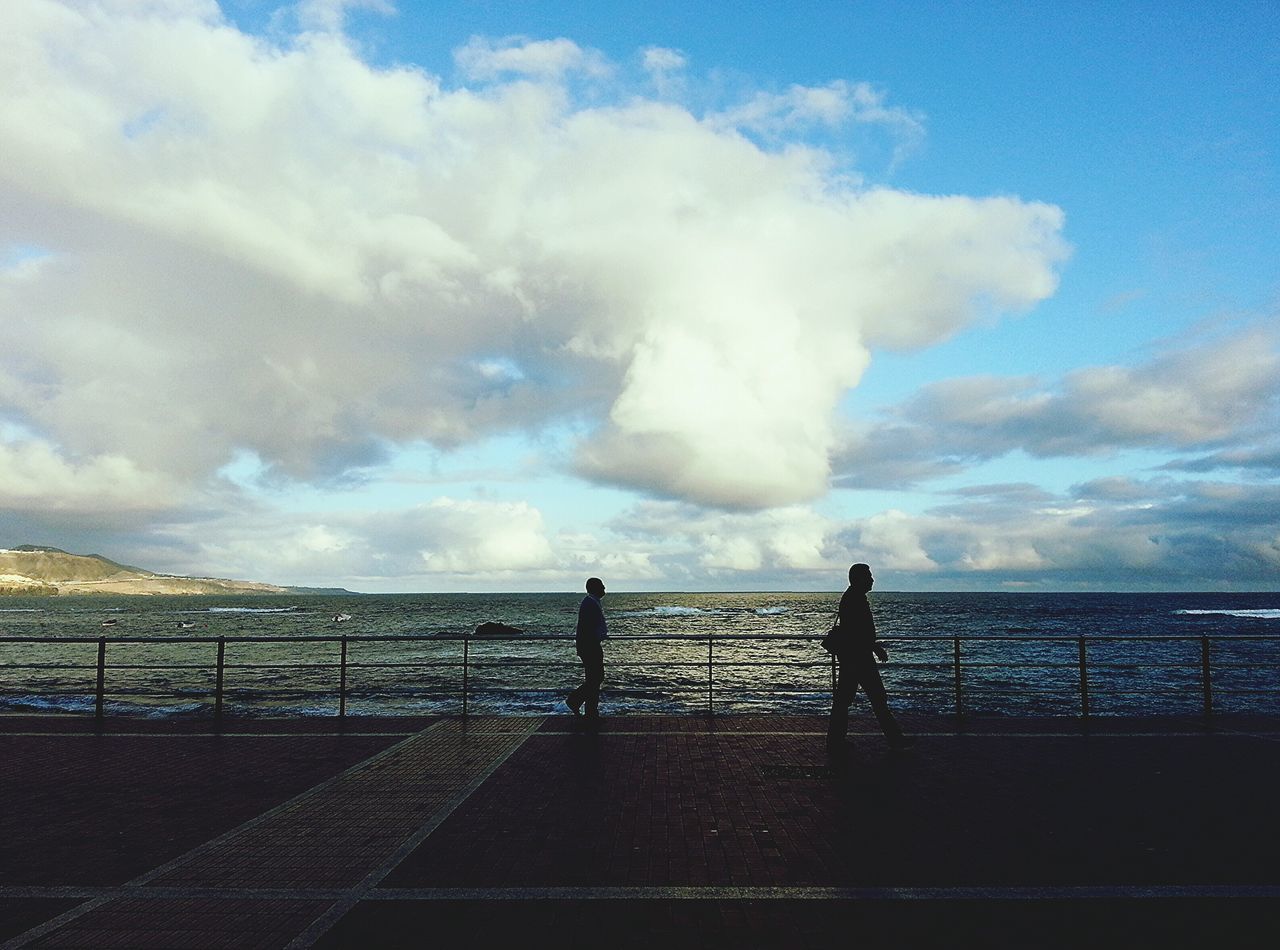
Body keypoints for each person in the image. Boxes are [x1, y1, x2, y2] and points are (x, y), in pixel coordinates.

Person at [826, 563, 915, 753]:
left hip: (854, 657)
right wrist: (875, 647)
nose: (872, 579)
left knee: (847, 700)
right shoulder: (855, 599)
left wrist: (873, 647)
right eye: (869, 576)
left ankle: (835, 741)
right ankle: (895, 740)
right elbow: (858, 632)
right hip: (859, 658)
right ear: (859, 579)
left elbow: (855, 631)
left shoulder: (852, 598)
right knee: (876, 698)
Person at [566, 577, 607, 718]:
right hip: (590, 646)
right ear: (595, 588)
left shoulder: (592, 602)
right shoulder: (590, 603)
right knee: (596, 678)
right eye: (601, 586)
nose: (604, 588)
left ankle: (591, 713)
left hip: (590, 645)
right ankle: (575, 701)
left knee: (594, 679)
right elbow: (590, 627)